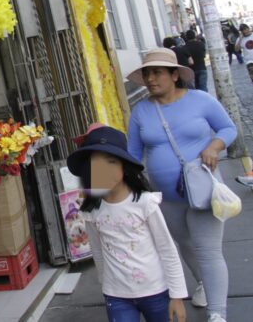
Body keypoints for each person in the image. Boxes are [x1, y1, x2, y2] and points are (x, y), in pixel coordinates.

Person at [126, 48, 237, 322]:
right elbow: (132, 154)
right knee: (185, 244)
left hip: (202, 190)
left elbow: (228, 128)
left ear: (175, 75)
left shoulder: (200, 100)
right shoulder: (141, 111)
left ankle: (217, 312)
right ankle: (203, 283)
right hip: (165, 197)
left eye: (158, 72)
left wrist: (214, 146)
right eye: (147, 73)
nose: (151, 79)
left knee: (207, 249)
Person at [66, 125, 187, 322]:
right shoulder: (92, 212)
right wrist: (107, 286)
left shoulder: (145, 203)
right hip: (117, 296)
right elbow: (97, 252)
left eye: (111, 162)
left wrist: (177, 295)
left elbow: (167, 249)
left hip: (156, 291)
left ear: (124, 166)